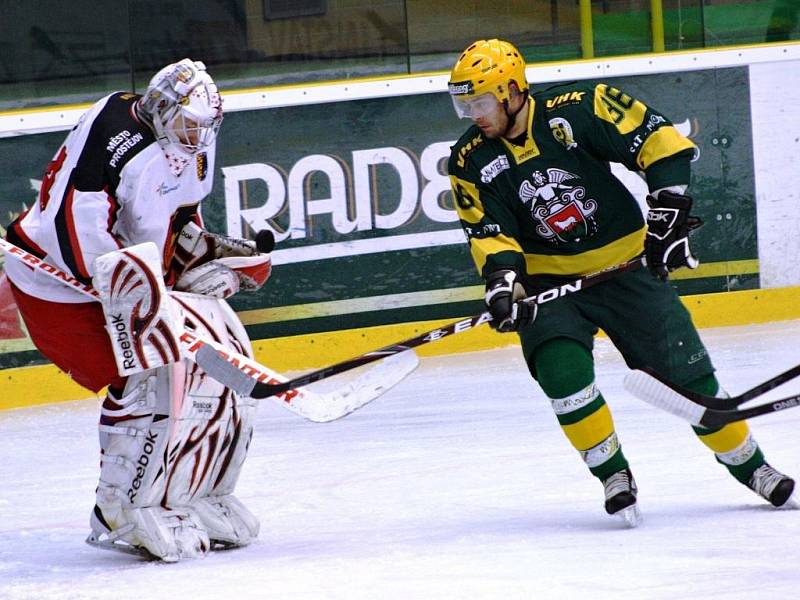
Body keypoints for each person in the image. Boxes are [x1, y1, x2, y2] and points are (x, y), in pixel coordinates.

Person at [446, 39, 795, 526]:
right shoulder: (469, 161)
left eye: (479, 103)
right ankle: (613, 474)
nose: (472, 115)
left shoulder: (580, 109)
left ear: (510, 90)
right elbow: (491, 233)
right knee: (563, 377)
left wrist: (669, 203)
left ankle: (753, 469)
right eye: (463, 105)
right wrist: (505, 287)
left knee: (691, 380)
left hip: (627, 270)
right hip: (552, 289)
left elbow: (659, 141)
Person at [4, 59, 272, 560]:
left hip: (126, 275)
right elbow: (73, 233)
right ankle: (121, 508)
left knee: (218, 366)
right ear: (161, 108)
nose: (196, 136)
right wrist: (140, 291)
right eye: (188, 124)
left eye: (204, 127)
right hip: (59, 285)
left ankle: (197, 492)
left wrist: (199, 254)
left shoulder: (192, 144)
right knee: (152, 374)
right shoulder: (113, 130)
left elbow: (177, 218)